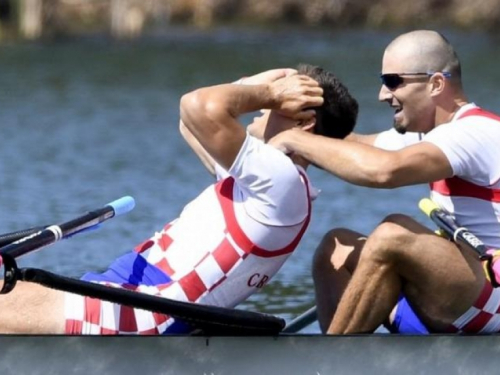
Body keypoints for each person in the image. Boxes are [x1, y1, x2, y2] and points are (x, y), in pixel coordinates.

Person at [0, 64, 358, 334]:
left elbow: (198, 106)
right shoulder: (263, 179)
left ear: (303, 121)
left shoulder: (279, 181)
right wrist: (257, 85)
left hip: (147, 313)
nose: (260, 110)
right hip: (127, 292)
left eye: (271, 105)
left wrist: (269, 93)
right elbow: (190, 122)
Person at [269, 30, 500, 335]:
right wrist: (290, 126)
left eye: (393, 81)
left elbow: (383, 171)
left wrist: (292, 139)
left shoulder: (474, 132)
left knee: (393, 234)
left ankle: (327, 362)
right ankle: (351, 356)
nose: (382, 94)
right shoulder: (429, 135)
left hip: (493, 301)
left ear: (436, 84)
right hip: (462, 291)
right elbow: (355, 149)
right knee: (334, 250)